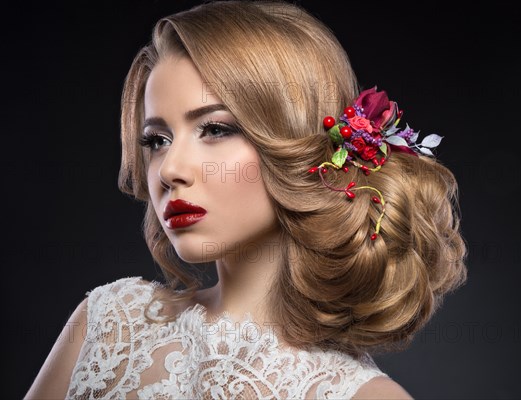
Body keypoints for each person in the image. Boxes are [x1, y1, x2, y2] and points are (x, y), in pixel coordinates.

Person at [25, 0, 467, 398]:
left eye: (215, 129)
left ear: (300, 146)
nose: (170, 169)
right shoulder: (107, 324)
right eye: (157, 139)